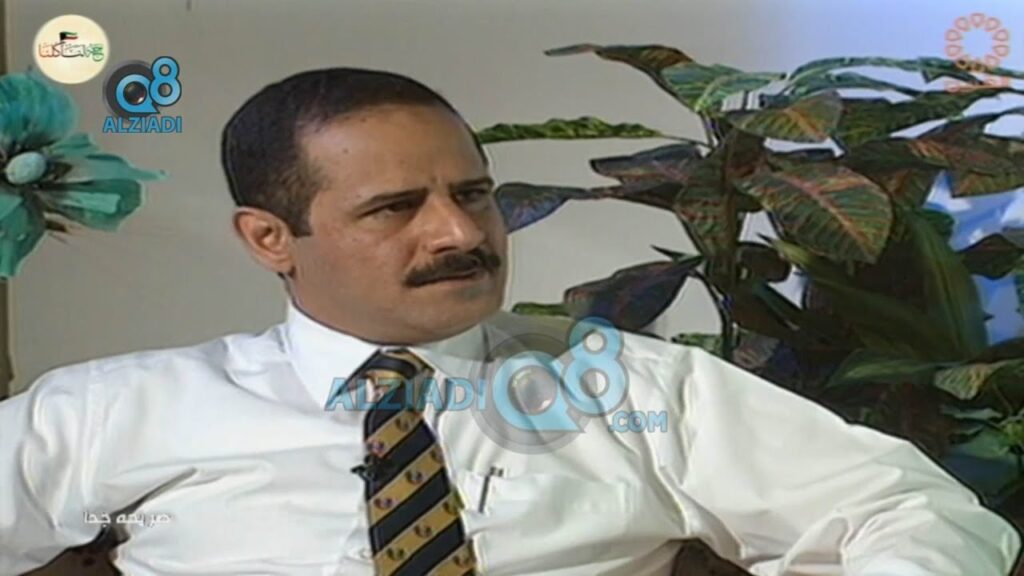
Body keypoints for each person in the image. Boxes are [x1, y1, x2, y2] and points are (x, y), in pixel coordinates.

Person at [0, 68, 1019, 576]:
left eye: (473, 193)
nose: (460, 232)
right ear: (272, 238)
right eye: (394, 208)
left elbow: (920, 517)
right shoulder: (120, 408)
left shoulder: (636, 389)